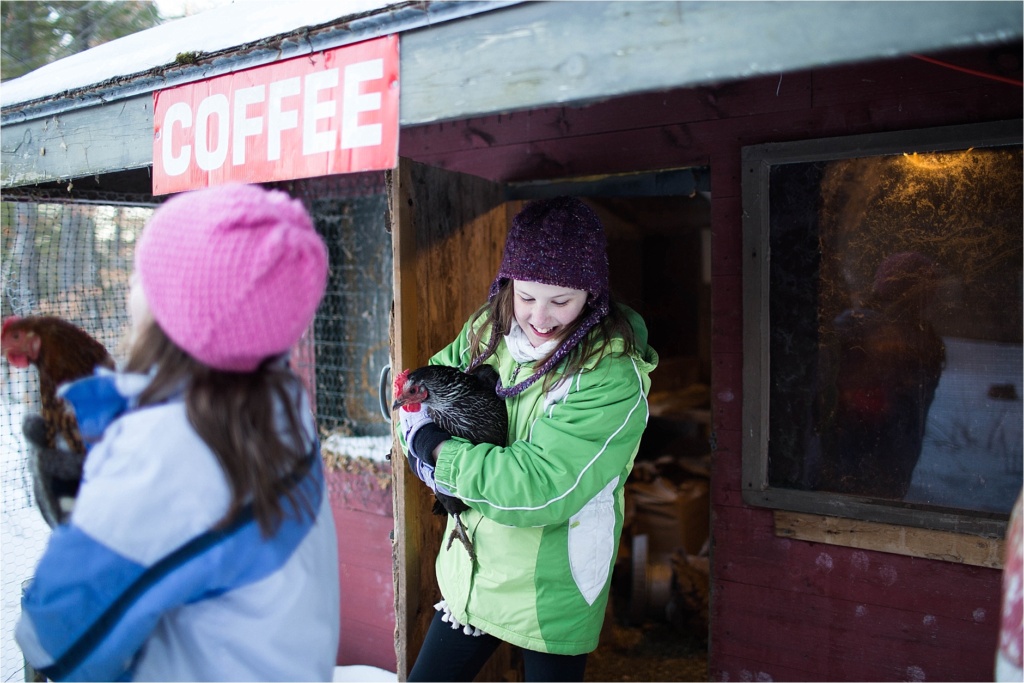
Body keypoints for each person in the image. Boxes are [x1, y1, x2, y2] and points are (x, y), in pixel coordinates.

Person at [16, 184, 341, 681]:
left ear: (183, 310)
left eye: (145, 273)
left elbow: (53, 639)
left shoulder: (168, 452)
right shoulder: (279, 404)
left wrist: (93, 500)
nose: (131, 282)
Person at [398, 196, 659, 682]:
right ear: (508, 286)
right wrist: (417, 431)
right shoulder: (488, 330)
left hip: (550, 585)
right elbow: (420, 391)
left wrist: (434, 451)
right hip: (474, 571)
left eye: (561, 301)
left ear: (592, 295)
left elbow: (540, 486)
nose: (539, 317)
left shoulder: (608, 375)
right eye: (526, 296)